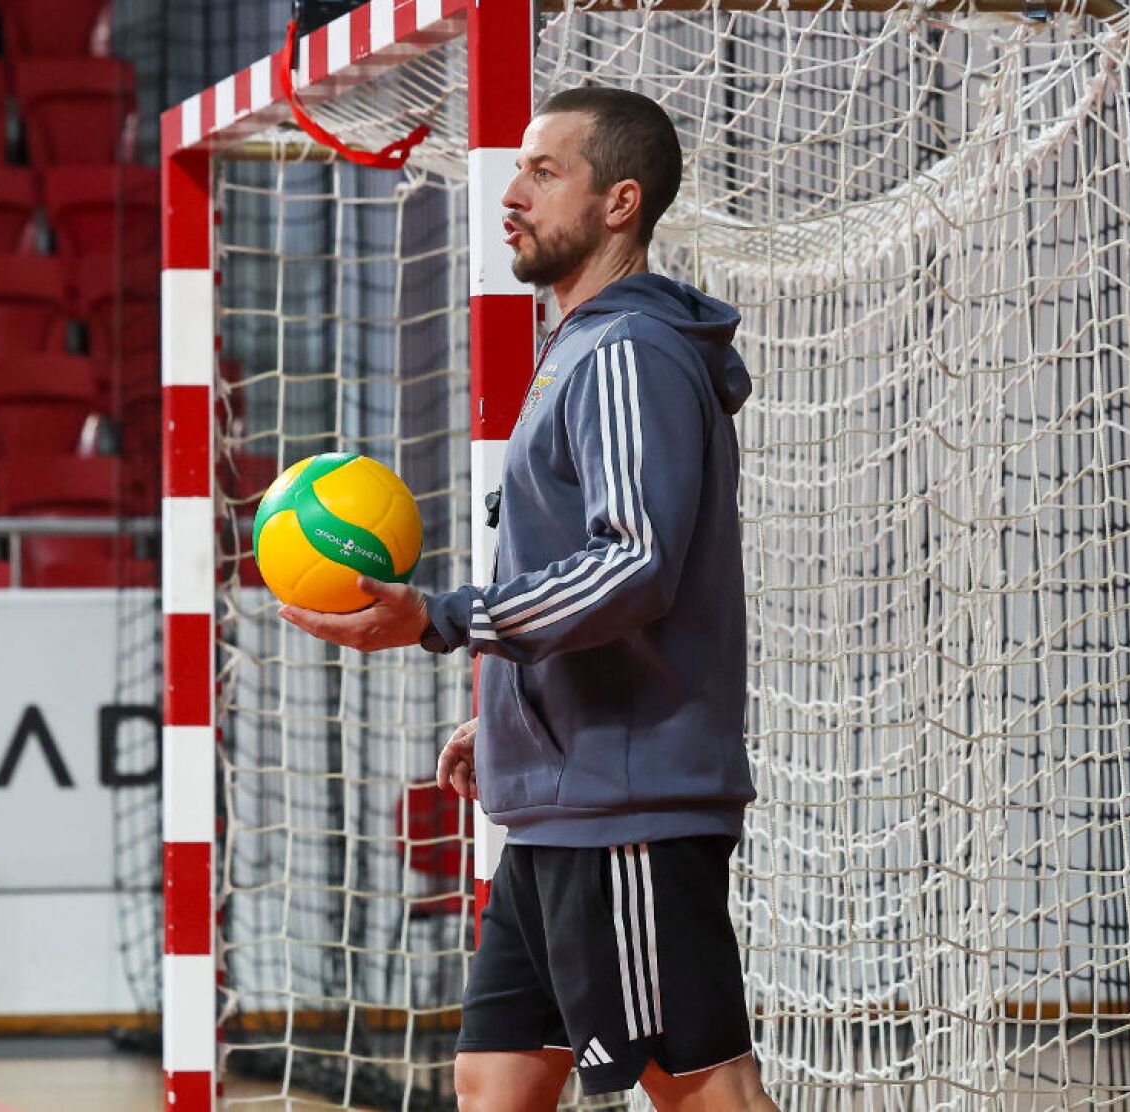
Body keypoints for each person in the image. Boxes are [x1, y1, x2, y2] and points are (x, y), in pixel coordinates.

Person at [279, 87, 778, 1112]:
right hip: (560, 796)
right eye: (517, 168)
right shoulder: (580, 346)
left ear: (618, 202)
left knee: (704, 1090)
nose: (510, 192)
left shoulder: (627, 353)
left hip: (623, 807)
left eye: (544, 172)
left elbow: (633, 562)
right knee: (494, 1077)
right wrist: (504, 714)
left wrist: (439, 616)